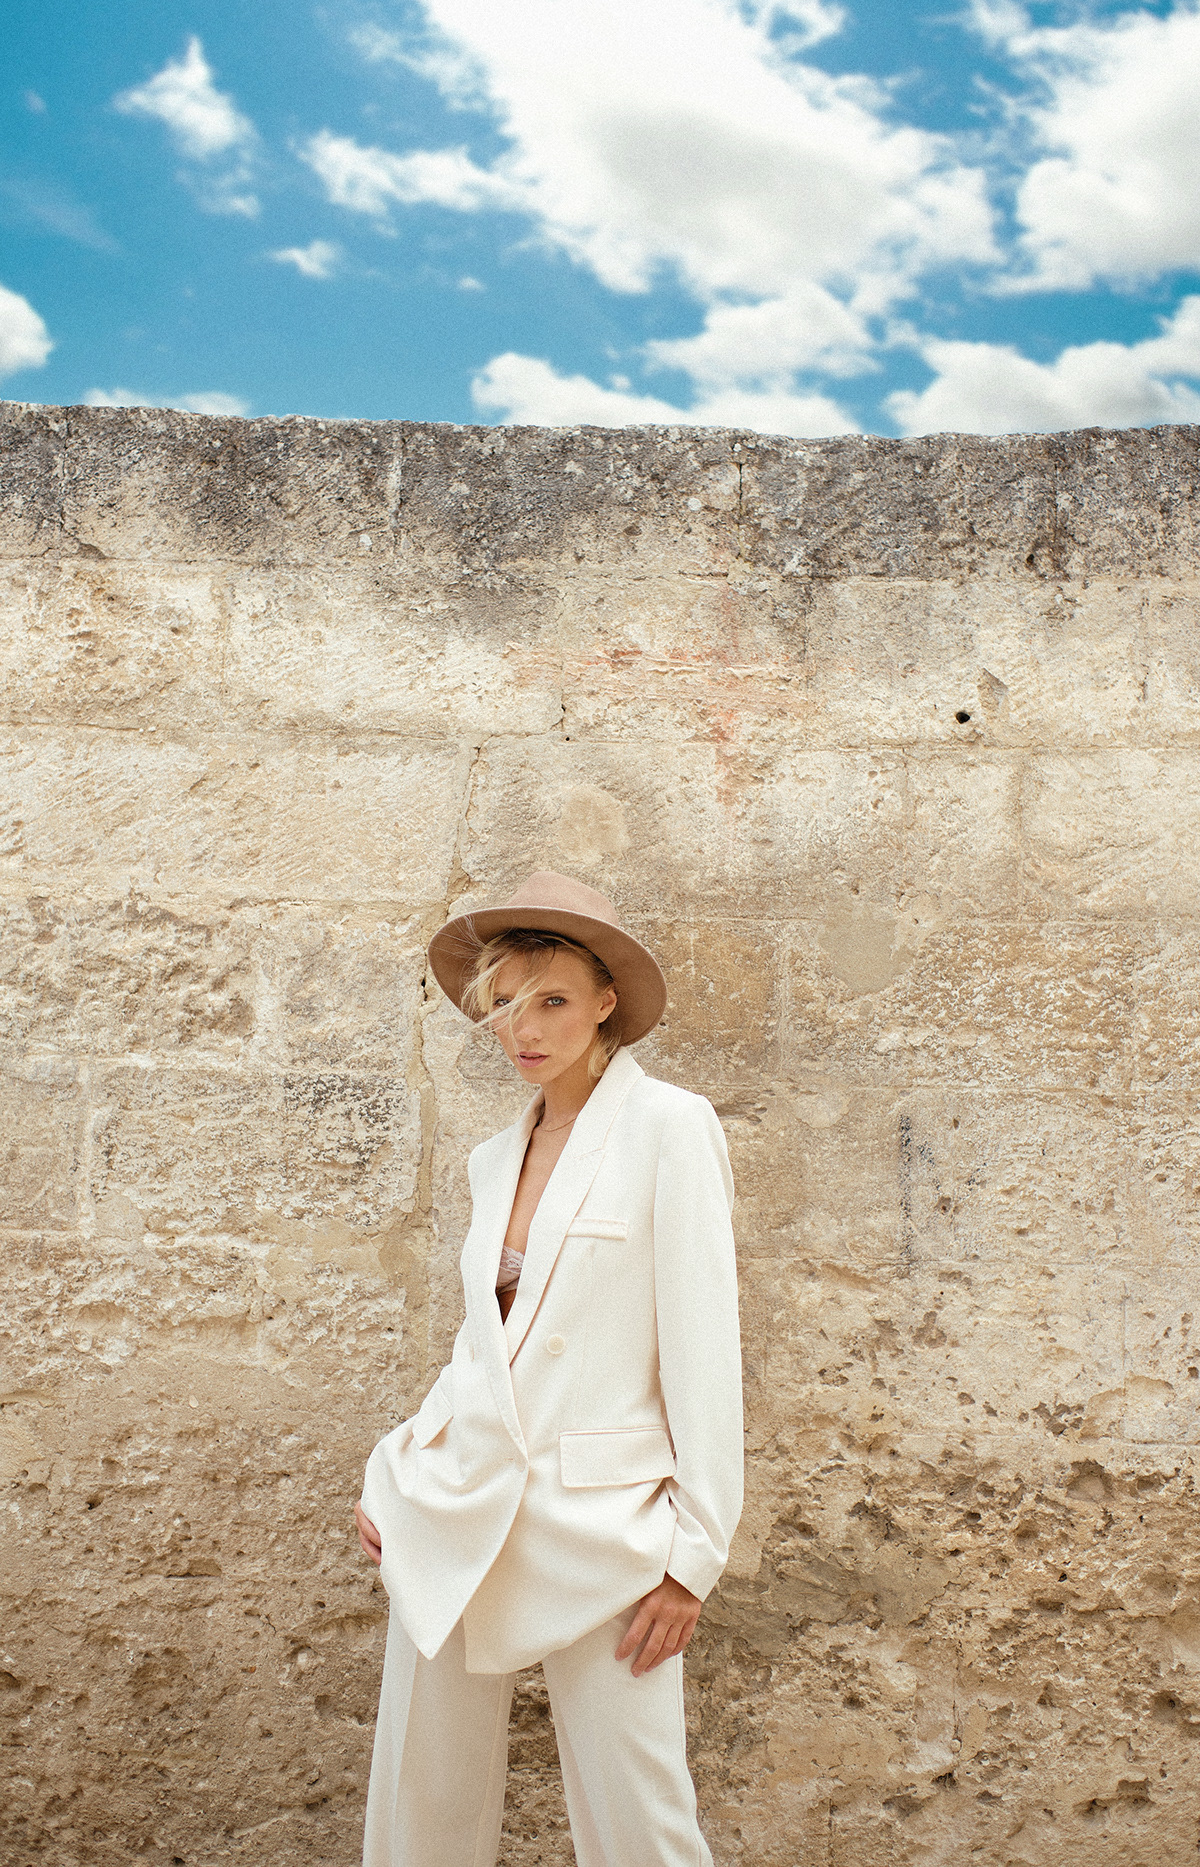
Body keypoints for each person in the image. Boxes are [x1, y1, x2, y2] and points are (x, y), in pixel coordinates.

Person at [353, 870, 743, 1867]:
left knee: (642, 1817)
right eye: (505, 1003)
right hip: (455, 1503)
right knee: (420, 1800)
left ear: (606, 1001)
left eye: (553, 1000)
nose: (523, 1028)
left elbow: (704, 1346)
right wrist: (398, 1463)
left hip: (607, 1527)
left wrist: (694, 1557)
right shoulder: (494, 1157)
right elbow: (485, 1347)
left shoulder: (669, 1127)